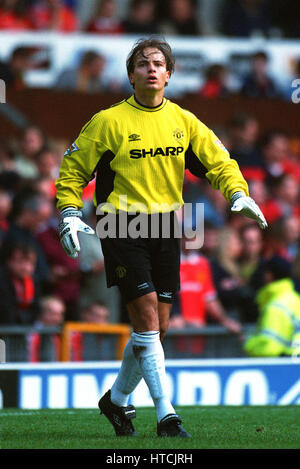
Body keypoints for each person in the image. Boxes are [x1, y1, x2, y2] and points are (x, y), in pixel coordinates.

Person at [55, 37, 267, 438]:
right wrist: (69, 211)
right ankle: (167, 415)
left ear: (169, 74)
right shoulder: (107, 121)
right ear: (131, 74)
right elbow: (72, 172)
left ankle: (116, 401)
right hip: (121, 225)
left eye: (158, 63)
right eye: (142, 63)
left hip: (167, 228)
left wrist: (238, 193)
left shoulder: (184, 122)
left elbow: (219, 161)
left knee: (155, 329)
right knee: (148, 316)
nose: (151, 68)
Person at [244, 256, 300, 357]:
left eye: (265, 272)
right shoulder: (295, 299)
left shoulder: (275, 307)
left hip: (286, 366)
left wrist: (248, 343)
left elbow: (270, 348)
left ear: (269, 275)